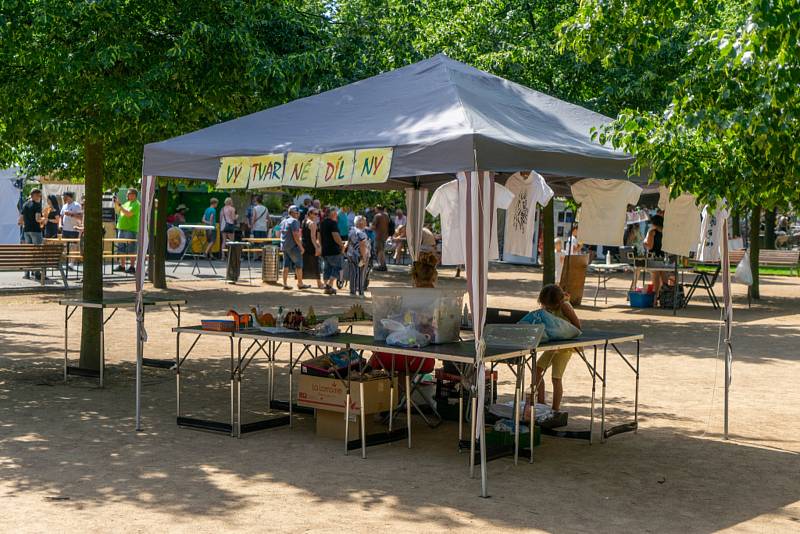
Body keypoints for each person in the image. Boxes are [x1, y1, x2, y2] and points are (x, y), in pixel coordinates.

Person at [530, 284, 581, 414]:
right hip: (552, 346)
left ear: (558, 302)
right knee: (537, 370)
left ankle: (555, 409)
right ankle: (541, 403)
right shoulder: (547, 306)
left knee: (556, 378)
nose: (547, 308)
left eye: (549, 306)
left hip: (564, 349)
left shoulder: (565, 306)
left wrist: (563, 332)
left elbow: (577, 327)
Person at [280, 205, 308, 290]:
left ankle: (285, 284)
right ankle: (300, 283)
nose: (298, 214)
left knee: (286, 265)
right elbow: (296, 235)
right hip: (293, 246)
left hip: (284, 246)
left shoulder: (284, 221)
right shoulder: (294, 221)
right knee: (299, 265)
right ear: (293, 212)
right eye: (297, 212)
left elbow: (279, 233)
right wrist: (301, 247)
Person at [114, 188, 141, 273]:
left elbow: (128, 214)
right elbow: (118, 211)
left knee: (131, 249)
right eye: (129, 194)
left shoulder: (137, 204)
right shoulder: (126, 203)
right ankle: (122, 266)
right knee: (121, 248)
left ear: (136, 196)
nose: (131, 195)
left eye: (133, 194)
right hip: (121, 228)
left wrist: (120, 205)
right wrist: (116, 204)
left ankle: (132, 267)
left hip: (131, 229)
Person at [18, 189, 44, 279]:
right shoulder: (37, 205)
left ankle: (27, 273)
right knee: (37, 252)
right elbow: (37, 219)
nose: (40, 198)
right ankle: (37, 273)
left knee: (29, 252)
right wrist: (43, 220)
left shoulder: (25, 205)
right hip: (35, 231)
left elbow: (20, 220)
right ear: (35, 195)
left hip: (26, 231)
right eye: (39, 196)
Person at [320, 207, 345, 295]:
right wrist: (342, 245)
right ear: (332, 214)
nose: (336, 215)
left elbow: (319, 236)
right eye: (335, 214)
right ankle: (329, 286)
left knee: (327, 269)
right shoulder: (333, 223)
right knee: (337, 268)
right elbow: (335, 235)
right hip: (333, 250)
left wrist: (321, 246)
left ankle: (326, 286)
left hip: (325, 250)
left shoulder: (322, 223)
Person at [346, 215, 370, 296]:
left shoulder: (351, 230)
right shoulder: (361, 233)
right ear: (360, 222)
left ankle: (352, 291)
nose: (366, 222)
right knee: (361, 274)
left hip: (351, 254)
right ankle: (361, 292)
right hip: (359, 255)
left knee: (353, 273)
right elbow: (362, 245)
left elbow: (348, 243)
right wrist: (364, 257)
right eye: (364, 221)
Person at [644, 214, 666, 301]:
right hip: (663, 257)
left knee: (655, 279)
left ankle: (655, 298)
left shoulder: (652, 232)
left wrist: (644, 244)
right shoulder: (665, 232)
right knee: (664, 279)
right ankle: (664, 298)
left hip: (654, 258)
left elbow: (650, 246)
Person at [301, 207, 324, 288]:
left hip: (304, 245)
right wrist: (317, 248)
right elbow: (313, 237)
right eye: (315, 214)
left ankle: (301, 282)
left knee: (304, 264)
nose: (317, 216)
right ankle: (319, 283)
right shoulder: (313, 223)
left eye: (317, 214)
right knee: (316, 264)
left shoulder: (304, 221)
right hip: (311, 246)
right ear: (310, 214)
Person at [371, 204, 390, 271]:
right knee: (382, 250)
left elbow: (373, 226)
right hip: (385, 235)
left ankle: (381, 265)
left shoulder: (377, 216)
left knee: (379, 251)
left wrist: (369, 226)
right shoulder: (386, 215)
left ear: (377, 208)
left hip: (378, 235)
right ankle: (383, 265)